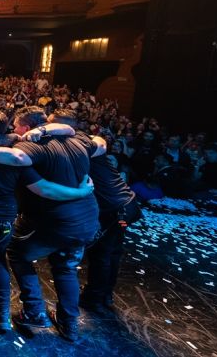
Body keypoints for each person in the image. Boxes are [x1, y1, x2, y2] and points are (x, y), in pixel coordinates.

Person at [0, 105, 104, 342]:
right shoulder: (78, 139)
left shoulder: (30, 146)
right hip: (88, 220)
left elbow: (44, 188)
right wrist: (55, 127)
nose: (12, 130)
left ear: (26, 128)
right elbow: (101, 143)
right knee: (66, 267)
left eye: (16, 126)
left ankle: (34, 311)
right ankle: (69, 326)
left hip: (57, 221)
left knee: (17, 252)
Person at [49, 110, 142, 315]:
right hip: (126, 205)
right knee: (112, 252)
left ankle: (94, 299)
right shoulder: (86, 140)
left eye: (49, 124)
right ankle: (104, 295)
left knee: (102, 254)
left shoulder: (77, 142)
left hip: (115, 209)